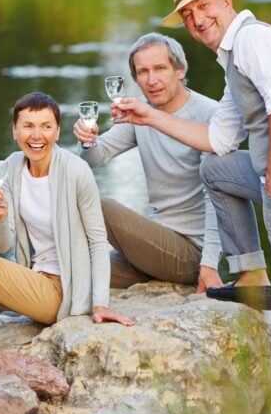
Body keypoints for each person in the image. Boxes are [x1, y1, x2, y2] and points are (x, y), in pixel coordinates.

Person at [116, 0, 271, 350]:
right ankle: (251, 277)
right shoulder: (234, 60)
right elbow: (218, 140)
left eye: (203, 5)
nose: (198, 19)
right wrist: (150, 116)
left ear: (226, 1)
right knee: (216, 168)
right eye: (188, 14)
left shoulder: (252, 39)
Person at [0, 92, 134, 326]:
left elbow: (98, 241)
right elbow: (2, 245)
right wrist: (0, 218)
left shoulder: (76, 170)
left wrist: (100, 304)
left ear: (58, 131)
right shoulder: (11, 166)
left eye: (46, 126)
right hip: (35, 277)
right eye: (28, 126)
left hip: (64, 290)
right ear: (14, 130)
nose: (36, 135)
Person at [73, 33, 222, 292]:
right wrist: (87, 141)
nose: (151, 80)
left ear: (179, 70)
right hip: (154, 247)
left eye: (160, 68)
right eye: (143, 72)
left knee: (94, 201)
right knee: (74, 272)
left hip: (191, 255)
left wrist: (209, 266)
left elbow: (219, 199)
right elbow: (94, 158)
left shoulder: (209, 114)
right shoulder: (142, 113)